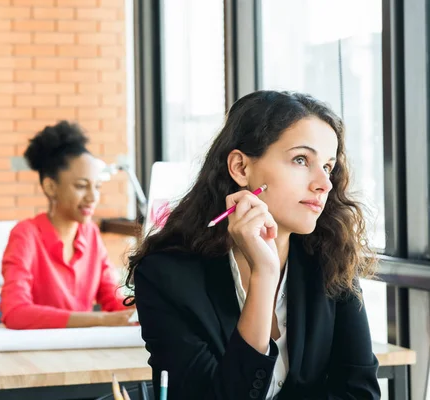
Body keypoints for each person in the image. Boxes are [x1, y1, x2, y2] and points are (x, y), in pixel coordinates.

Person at [126, 91, 380, 400]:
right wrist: (264, 276)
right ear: (241, 168)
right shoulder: (166, 276)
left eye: (327, 166)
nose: (324, 183)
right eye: (301, 160)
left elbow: (359, 392)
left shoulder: (331, 259)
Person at [0, 121, 134, 329]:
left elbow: (113, 299)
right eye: (81, 186)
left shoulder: (90, 234)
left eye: (97, 186)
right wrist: (100, 320)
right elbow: (15, 312)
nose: (92, 197)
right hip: (35, 355)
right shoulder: (25, 235)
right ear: (50, 187)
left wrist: (146, 308)